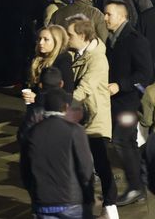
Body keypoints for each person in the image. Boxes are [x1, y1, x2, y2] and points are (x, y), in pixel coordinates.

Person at [67, 14, 117, 218]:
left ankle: (110, 205)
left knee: (101, 161)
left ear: (82, 36)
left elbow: (85, 87)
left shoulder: (97, 58)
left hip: (94, 117)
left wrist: (61, 104)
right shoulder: (75, 52)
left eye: (70, 34)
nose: (67, 37)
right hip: (82, 116)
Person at [103, 0, 152, 207]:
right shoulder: (111, 39)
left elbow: (144, 73)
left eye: (109, 14)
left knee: (123, 141)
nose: (105, 18)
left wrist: (119, 85)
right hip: (116, 101)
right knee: (126, 142)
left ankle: (136, 187)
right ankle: (138, 184)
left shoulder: (135, 40)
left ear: (122, 16)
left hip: (129, 101)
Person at [20, 88, 95, 219]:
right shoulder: (75, 131)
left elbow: (25, 170)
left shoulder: (32, 133)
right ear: (66, 107)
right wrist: (89, 197)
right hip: (72, 201)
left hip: (42, 202)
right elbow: (85, 168)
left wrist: (34, 195)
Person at [27, 25, 75, 98]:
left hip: (52, 107)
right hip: (35, 105)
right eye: (39, 39)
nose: (40, 42)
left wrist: (37, 97)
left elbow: (67, 92)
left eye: (46, 39)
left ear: (57, 41)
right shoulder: (37, 57)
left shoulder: (63, 60)